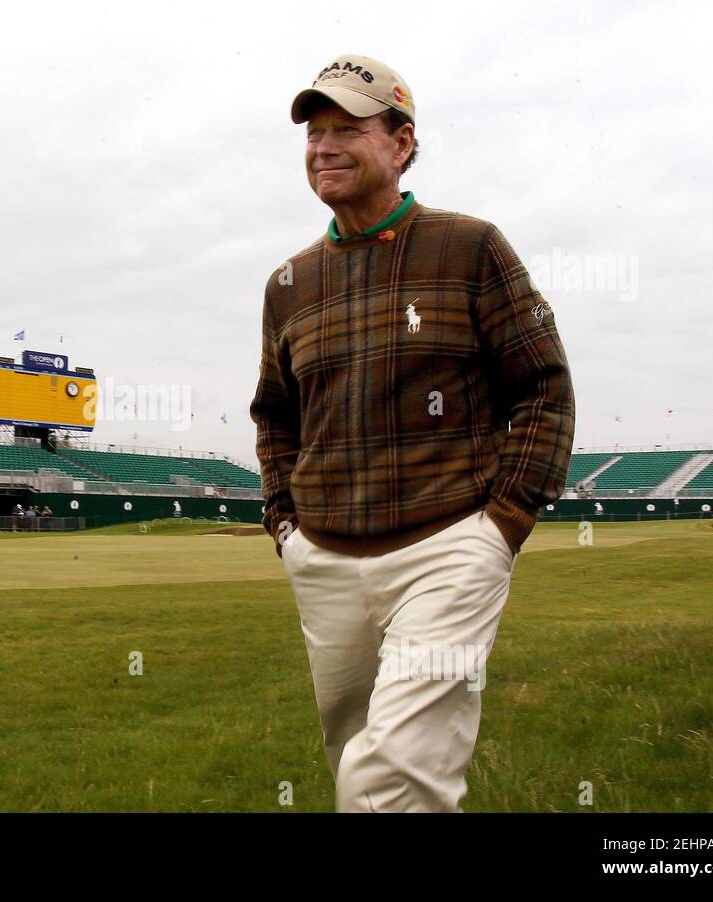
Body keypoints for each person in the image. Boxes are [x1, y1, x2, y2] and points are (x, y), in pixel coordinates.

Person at [250, 54, 575, 813]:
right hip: (324, 560)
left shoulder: (470, 247)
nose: (324, 147)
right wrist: (285, 524)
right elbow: (275, 416)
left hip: (446, 549)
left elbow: (544, 389)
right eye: (314, 134)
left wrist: (500, 527)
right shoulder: (289, 284)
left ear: (401, 144)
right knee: (354, 759)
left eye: (347, 130)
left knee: (388, 780)